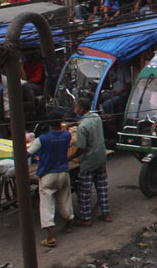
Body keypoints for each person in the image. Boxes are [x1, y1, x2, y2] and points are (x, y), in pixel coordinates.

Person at [27, 112, 74, 247]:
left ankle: (51, 237)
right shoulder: (66, 135)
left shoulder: (43, 139)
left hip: (48, 175)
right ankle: (69, 223)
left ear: (48, 124)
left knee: (46, 204)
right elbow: (69, 146)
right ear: (60, 123)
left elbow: (28, 152)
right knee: (65, 199)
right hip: (64, 172)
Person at [67, 97, 112, 227]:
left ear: (80, 108)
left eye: (76, 107)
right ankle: (106, 214)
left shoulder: (82, 127)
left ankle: (86, 218)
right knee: (102, 187)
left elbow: (81, 148)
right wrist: (74, 124)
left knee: (84, 192)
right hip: (100, 157)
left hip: (88, 161)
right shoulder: (96, 117)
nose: (74, 109)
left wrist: (70, 158)